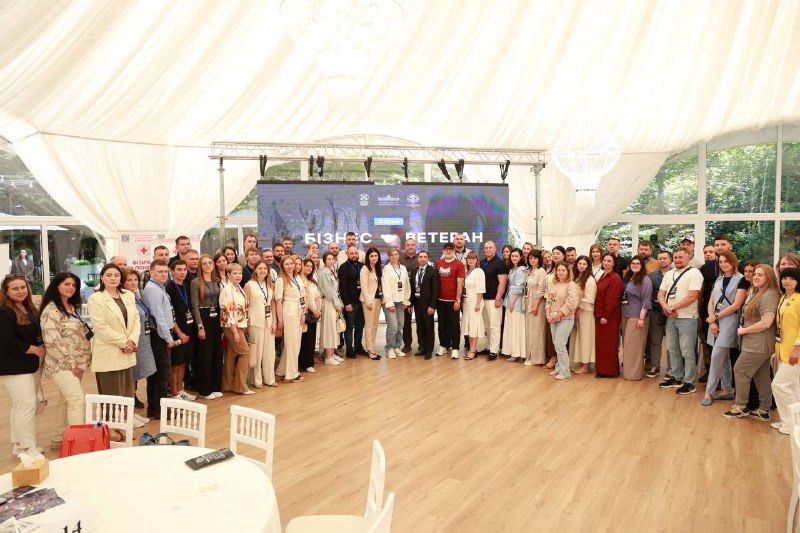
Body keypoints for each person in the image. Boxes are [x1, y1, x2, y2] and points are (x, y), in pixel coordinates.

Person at [40, 273, 92, 447]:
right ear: (57, 286)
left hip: (77, 362)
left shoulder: (70, 307)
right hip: (62, 364)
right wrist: (70, 363)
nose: (71, 288)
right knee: (77, 400)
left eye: (74, 285)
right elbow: (52, 341)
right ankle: (78, 442)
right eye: (66, 284)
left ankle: (58, 437)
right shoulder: (51, 310)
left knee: (65, 400)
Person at [724, 264, 779, 421]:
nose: (755, 277)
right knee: (761, 376)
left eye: (760, 275)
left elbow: (766, 322)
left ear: (769, 277)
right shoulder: (758, 292)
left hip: (759, 343)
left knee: (740, 370)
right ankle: (764, 409)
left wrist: (744, 330)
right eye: (755, 274)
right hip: (754, 342)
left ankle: (741, 406)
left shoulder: (770, 294)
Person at [88, 263, 139, 431]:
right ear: (102, 278)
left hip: (127, 352)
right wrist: (125, 342)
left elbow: (136, 320)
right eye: (108, 275)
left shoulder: (128, 295)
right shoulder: (96, 298)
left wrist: (132, 341)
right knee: (111, 395)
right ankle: (110, 430)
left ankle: (124, 427)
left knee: (126, 393)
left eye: (116, 275)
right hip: (109, 353)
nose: (113, 278)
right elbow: (101, 328)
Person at [0, 275, 45, 458]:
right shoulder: (4, 311)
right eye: (15, 288)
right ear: (6, 292)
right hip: (14, 366)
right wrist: (34, 349)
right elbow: (7, 341)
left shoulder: (28, 308)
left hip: (30, 364)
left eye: (23, 287)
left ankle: (18, 444)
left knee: (20, 406)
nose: (20, 291)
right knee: (26, 406)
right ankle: (28, 448)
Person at [701, 251, 747, 405]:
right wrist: (712, 321)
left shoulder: (741, 279)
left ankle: (709, 391)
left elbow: (736, 305)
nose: (723, 264)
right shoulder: (719, 279)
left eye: (726, 261)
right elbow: (711, 301)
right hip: (715, 320)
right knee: (724, 357)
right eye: (720, 262)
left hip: (730, 321)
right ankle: (727, 389)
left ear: (733, 262)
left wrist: (715, 317)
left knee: (716, 356)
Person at [658, 247, 704, 395]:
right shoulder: (669, 274)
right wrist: (666, 308)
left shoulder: (694, 273)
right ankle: (677, 378)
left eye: (681, 257)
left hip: (687, 318)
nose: (678, 260)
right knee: (672, 348)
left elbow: (692, 296)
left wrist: (672, 308)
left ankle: (689, 382)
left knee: (687, 351)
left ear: (688, 257)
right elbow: (660, 294)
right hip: (670, 317)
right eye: (676, 257)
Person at [141, 259, 174, 418]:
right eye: (160, 272)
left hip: (159, 334)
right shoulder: (153, 290)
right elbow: (159, 317)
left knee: (156, 374)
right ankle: (160, 410)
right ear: (151, 273)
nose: (164, 274)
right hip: (159, 336)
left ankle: (154, 408)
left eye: (166, 271)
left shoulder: (159, 287)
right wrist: (168, 338)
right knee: (163, 373)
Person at [121, 269, 154, 425]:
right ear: (123, 282)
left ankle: (132, 412)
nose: (133, 283)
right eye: (129, 280)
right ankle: (128, 414)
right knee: (129, 378)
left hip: (141, 340)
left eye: (135, 280)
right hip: (131, 343)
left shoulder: (135, 296)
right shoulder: (124, 298)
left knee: (134, 377)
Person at [770, 267, 800, 434]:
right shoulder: (783, 298)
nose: (787, 281)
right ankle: (792, 423)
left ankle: (790, 424)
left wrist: (797, 348)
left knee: (779, 385)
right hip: (783, 348)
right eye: (784, 278)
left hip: (795, 351)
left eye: (792, 278)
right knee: (794, 388)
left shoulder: (799, 298)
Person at [190, 254, 224, 400]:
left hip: (216, 316)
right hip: (203, 317)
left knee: (217, 353)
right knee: (205, 355)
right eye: (205, 263)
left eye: (210, 262)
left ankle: (216, 386)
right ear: (200, 266)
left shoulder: (217, 281)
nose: (208, 265)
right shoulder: (196, 282)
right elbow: (194, 305)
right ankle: (205, 389)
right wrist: (200, 326)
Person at [219, 263, 254, 394]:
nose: (238, 276)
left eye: (240, 273)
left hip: (240, 325)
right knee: (245, 353)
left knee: (231, 353)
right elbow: (227, 312)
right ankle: (241, 386)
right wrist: (235, 331)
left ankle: (228, 384)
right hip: (231, 326)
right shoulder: (227, 290)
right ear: (228, 275)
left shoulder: (239, 287)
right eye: (235, 273)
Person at [165, 260, 196, 401]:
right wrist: (179, 332)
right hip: (177, 331)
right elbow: (169, 314)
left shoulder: (187, 286)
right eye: (179, 269)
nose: (183, 272)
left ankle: (180, 390)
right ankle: (174, 392)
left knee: (183, 363)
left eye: (184, 269)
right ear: (172, 271)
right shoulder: (169, 288)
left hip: (188, 329)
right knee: (175, 364)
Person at [244, 261, 277, 388]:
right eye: (260, 268)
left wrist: (274, 321)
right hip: (255, 321)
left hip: (269, 321)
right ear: (255, 270)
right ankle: (256, 380)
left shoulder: (270, 285)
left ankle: (270, 379)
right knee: (256, 352)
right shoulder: (249, 285)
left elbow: (272, 304)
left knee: (269, 352)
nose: (262, 271)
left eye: (265, 268)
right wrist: (246, 323)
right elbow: (245, 305)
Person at [620, 257, 652, 381]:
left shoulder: (645, 280)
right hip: (626, 314)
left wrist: (641, 318)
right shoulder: (629, 278)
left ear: (642, 265)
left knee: (634, 346)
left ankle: (634, 374)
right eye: (633, 263)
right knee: (627, 345)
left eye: (638, 263)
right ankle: (628, 372)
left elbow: (646, 301)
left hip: (636, 316)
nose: (635, 265)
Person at [275, 256, 306, 382]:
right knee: (292, 343)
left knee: (295, 342)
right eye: (286, 264)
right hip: (289, 311)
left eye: (291, 263)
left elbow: (303, 296)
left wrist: (303, 313)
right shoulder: (280, 279)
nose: (290, 266)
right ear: (282, 266)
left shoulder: (298, 277)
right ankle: (292, 373)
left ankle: (282, 370)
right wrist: (280, 320)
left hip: (299, 310)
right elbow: (278, 301)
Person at [546, 262, 578, 380]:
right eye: (559, 270)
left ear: (568, 272)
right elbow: (549, 301)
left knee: (560, 345)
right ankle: (559, 368)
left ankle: (565, 372)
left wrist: (559, 314)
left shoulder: (571, 285)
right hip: (553, 318)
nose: (560, 272)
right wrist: (548, 314)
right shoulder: (554, 284)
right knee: (556, 344)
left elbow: (571, 303)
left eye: (563, 270)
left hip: (565, 318)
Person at [595, 254, 623, 377]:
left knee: (609, 344)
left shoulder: (615, 278)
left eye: (609, 261)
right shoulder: (603, 275)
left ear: (613, 263)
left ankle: (610, 371)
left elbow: (612, 299)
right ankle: (602, 369)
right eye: (605, 260)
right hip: (600, 314)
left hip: (609, 317)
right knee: (602, 344)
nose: (606, 262)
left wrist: (605, 316)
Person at [645, 250, 673, 378]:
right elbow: (648, 294)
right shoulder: (652, 276)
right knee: (655, 341)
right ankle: (655, 366)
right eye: (660, 258)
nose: (662, 260)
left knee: (671, 342)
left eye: (664, 258)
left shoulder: (676, 274)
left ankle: (671, 369)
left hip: (672, 312)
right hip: (655, 312)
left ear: (670, 260)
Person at [436, 243, 465, 359]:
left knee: (454, 325)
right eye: (446, 250)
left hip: (453, 300)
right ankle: (443, 345)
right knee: (442, 324)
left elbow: (460, 284)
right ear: (443, 251)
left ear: (454, 251)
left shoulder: (459, 264)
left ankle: (455, 348)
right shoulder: (438, 263)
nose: (448, 252)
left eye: (450, 250)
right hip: (440, 300)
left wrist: (458, 300)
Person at [480, 240, 508, 361]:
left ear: (495, 249)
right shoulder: (482, 262)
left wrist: (498, 298)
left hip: (494, 299)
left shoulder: (500, 263)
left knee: (494, 326)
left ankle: (494, 350)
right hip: (483, 299)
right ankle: (488, 347)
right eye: (486, 247)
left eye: (490, 247)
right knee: (486, 326)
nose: (488, 249)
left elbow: (503, 282)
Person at [382, 247, 411, 359]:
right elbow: (385, 287)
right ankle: (389, 348)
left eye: (396, 254)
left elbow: (407, 285)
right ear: (389, 256)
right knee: (393, 327)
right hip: (391, 302)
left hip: (401, 301)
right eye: (392, 255)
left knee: (400, 326)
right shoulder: (386, 269)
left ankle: (397, 347)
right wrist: (390, 303)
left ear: (399, 255)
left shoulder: (403, 268)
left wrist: (406, 300)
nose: (394, 256)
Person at [569, 255, 597, 373]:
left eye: (584, 264)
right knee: (578, 338)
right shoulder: (577, 277)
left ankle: (586, 365)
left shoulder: (589, 280)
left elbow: (589, 298)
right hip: (576, 311)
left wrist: (578, 311)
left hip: (585, 312)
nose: (582, 266)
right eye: (580, 263)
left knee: (585, 338)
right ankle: (580, 362)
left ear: (588, 266)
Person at [411, 251, 439, 360]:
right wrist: (411, 304)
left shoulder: (433, 271)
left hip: (428, 305)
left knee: (429, 327)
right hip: (417, 304)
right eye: (420, 257)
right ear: (418, 259)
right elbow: (412, 289)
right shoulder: (414, 271)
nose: (422, 259)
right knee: (420, 327)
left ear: (428, 259)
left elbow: (435, 290)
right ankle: (422, 348)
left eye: (425, 257)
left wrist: (432, 306)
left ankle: (429, 350)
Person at [338, 245, 365, 358]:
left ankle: (358, 347)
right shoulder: (343, 267)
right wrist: (347, 303)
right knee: (349, 328)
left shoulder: (362, 266)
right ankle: (349, 350)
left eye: (355, 253)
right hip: (350, 303)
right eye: (351, 253)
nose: (354, 255)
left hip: (361, 302)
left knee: (360, 326)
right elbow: (342, 287)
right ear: (347, 254)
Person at [318, 251, 343, 366]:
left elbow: (336, 290)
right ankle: (328, 356)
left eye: (332, 259)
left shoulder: (332, 271)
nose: (331, 261)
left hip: (334, 302)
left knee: (334, 329)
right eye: (328, 259)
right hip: (329, 303)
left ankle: (332, 354)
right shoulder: (324, 273)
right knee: (329, 329)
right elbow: (328, 291)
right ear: (324, 261)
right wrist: (337, 304)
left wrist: (338, 303)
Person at [502, 248, 527, 362]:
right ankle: (513, 351)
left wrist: (512, 302)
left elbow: (519, 287)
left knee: (516, 327)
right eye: (512, 256)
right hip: (510, 299)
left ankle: (517, 352)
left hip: (515, 302)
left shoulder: (521, 270)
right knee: (511, 327)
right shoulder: (513, 269)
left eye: (516, 256)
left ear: (521, 257)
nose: (514, 258)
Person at [523, 250, 547, 366]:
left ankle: (537, 358)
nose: (532, 260)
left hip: (537, 303)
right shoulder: (529, 270)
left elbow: (541, 290)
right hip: (528, 301)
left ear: (539, 259)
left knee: (537, 331)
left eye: (535, 258)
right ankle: (530, 355)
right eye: (531, 258)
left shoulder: (541, 271)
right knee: (530, 330)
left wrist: (535, 305)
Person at [360, 247, 383, 360]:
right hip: (369, 300)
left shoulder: (378, 268)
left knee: (375, 325)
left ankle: (373, 347)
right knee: (369, 326)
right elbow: (364, 286)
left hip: (378, 299)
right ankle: (370, 350)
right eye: (371, 256)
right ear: (368, 257)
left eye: (376, 255)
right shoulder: (365, 268)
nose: (374, 258)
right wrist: (368, 301)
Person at [461, 251, 485, 360]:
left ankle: (473, 350)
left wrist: (478, 303)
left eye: (473, 258)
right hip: (467, 302)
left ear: (477, 260)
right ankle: (471, 348)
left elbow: (481, 289)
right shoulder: (467, 271)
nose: (471, 260)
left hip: (475, 301)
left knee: (474, 326)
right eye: (469, 258)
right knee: (470, 327)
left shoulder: (478, 271)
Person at [299, 258, 321, 372]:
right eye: (306, 266)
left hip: (314, 313)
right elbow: (305, 299)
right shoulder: (300, 280)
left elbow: (317, 297)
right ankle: (305, 364)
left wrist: (318, 310)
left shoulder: (312, 281)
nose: (309, 268)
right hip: (305, 312)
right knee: (306, 339)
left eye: (311, 267)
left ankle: (309, 362)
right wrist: (313, 309)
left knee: (312, 339)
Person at [401, 238, 418, 352]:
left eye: (412, 245)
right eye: (408, 245)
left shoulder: (421, 257)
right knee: (406, 322)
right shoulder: (400, 259)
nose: (410, 247)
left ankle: (422, 344)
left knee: (420, 321)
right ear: (405, 246)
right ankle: (407, 344)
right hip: (404, 294)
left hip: (420, 294)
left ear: (415, 246)